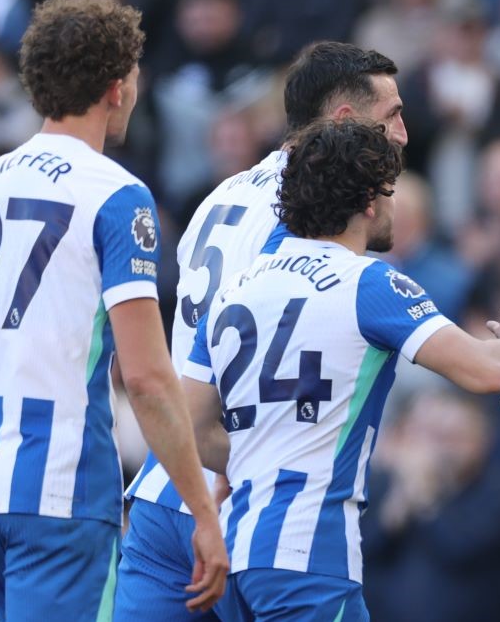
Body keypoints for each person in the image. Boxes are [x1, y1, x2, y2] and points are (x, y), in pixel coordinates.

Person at [0, 0, 228, 619]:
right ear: (116, 88)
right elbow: (147, 379)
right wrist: (202, 512)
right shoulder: (118, 195)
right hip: (58, 487)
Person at [182, 119, 500, 621]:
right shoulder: (370, 283)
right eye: (391, 190)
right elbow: (490, 371)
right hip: (309, 553)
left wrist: (262, 454)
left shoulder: (235, 288)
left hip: (238, 548)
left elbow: (190, 427)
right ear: (370, 200)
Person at [117, 41, 407, 620]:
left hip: (161, 490)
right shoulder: (313, 215)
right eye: (392, 115)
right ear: (345, 120)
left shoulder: (220, 194)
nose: (402, 133)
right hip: (237, 499)